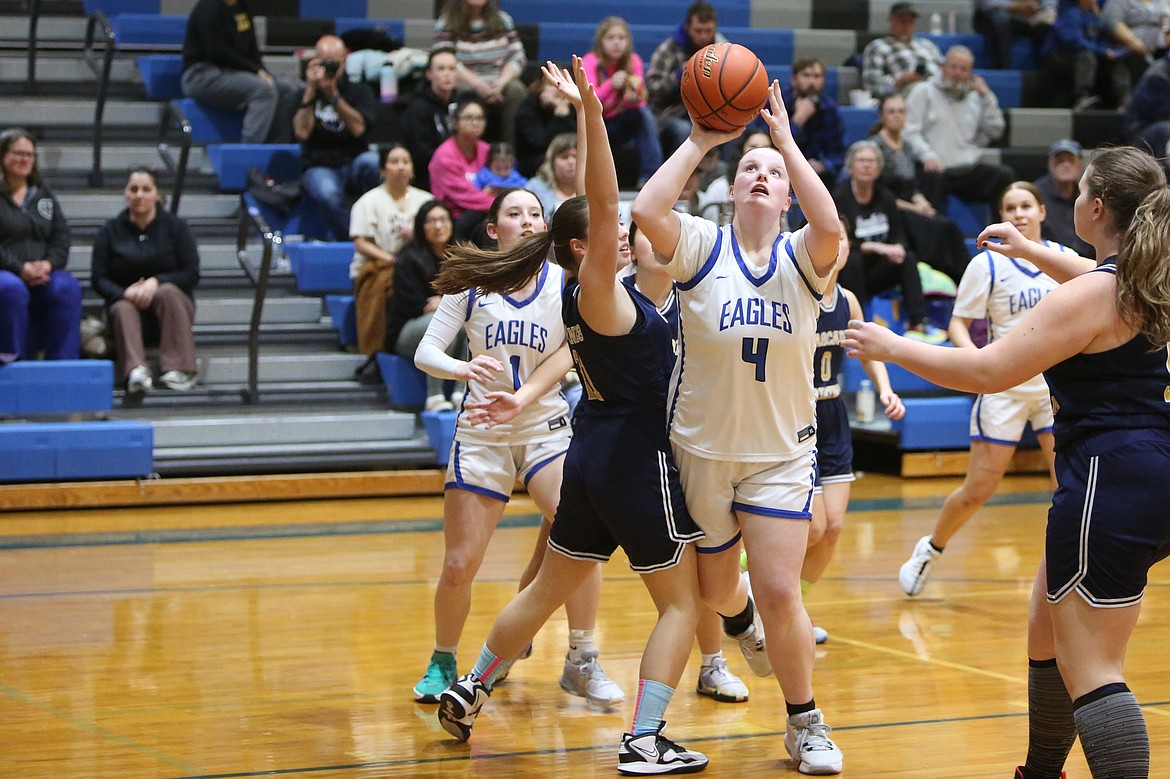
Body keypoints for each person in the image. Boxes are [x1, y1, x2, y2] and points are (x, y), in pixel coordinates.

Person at [844, 145, 1169, 779]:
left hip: (1107, 476)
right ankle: (1039, 771)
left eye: (1076, 196)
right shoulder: (1148, 275)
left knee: (1096, 672)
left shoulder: (1096, 294)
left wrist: (893, 344)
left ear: (1096, 207)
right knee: (1044, 628)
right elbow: (1087, 269)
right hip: (1145, 470)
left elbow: (989, 371)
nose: (1066, 203)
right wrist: (1031, 250)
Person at [436, 58, 709, 775]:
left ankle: (473, 685)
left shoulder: (580, 288)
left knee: (547, 588)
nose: (624, 233)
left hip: (586, 454)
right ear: (583, 247)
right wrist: (591, 107)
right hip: (631, 460)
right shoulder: (596, 289)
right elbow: (603, 195)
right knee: (682, 604)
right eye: (610, 229)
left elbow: (592, 205)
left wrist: (589, 117)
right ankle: (645, 738)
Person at [632, 79, 846, 775]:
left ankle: (805, 721)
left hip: (781, 454)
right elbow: (646, 208)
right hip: (700, 449)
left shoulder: (807, 260)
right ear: (732, 190)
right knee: (718, 593)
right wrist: (702, 138)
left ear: (788, 197)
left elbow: (833, 227)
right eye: (750, 168)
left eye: (774, 174)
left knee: (784, 591)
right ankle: (742, 618)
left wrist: (785, 140)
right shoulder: (697, 245)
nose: (761, 176)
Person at [411, 186, 622, 709]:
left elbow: (575, 352)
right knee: (461, 563)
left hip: (545, 428)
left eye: (535, 213)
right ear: (493, 228)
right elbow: (425, 351)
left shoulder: (564, 284)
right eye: (515, 213)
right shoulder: (473, 284)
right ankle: (443, 658)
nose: (527, 221)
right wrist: (462, 367)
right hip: (482, 433)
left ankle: (581, 657)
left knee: (582, 536)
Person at [898, 181, 1077, 597]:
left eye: (1026, 205)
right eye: (1010, 207)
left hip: (1054, 389)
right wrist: (978, 364)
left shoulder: (1065, 259)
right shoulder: (988, 264)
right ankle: (932, 547)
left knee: (1067, 484)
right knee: (980, 488)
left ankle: (1068, 567)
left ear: (1042, 212)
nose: (1018, 213)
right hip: (1004, 388)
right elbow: (958, 324)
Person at [800, 221, 904, 642]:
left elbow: (868, 349)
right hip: (795, 419)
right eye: (830, 236)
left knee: (835, 528)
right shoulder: (795, 294)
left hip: (834, 418)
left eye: (843, 237)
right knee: (813, 527)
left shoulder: (848, 300)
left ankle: (794, 611)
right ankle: (741, 573)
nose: (837, 244)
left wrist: (885, 388)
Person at [90, 167, 200, 394]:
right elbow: (99, 279)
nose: (140, 195)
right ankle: (136, 371)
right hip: (125, 310)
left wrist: (156, 282)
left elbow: (191, 273)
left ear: (158, 195)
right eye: (134, 189)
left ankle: (180, 370)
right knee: (122, 307)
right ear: (126, 193)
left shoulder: (176, 227)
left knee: (168, 291)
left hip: (170, 310)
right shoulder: (109, 231)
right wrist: (124, 293)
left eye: (146, 189)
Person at [832, 140, 943, 342]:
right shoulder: (839, 198)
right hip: (850, 272)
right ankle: (856, 323)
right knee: (853, 258)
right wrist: (875, 247)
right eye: (861, 160)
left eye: (872, 161)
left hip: (877, 271)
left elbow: (897, 234)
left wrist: (897, 248)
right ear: (850, 167)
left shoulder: (886, 198)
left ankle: (918, 321)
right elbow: (838, 240)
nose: (866, 165)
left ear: (879, 168)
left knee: (907, 257)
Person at [903, 45, 1016, 215]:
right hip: (933, 166)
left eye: (963, 69)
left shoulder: (976, 98)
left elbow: (995, 130)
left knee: (1004, 176)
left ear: (970, 73)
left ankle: (1001, 234)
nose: (957, 73)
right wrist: (927, 155)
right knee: (933, 177)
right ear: (943, 67)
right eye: (953, 67)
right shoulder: (923, 91)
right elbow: (909, 131)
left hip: (966, 168)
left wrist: (987, 96)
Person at [348, 144, 431, 372]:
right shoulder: (369, 201)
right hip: (379, 265)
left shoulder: (425, 200)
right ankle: (379, 349)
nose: (401, 167)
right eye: (394, 162)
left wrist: (418, 234)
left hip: (418, 267)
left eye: (406, 161)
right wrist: (394, 261)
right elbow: (361, 243)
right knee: (389, 285)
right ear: (383, 169)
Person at [0, 129, 80, 362]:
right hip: (6, 271)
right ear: (3, 156)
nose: (24, 159)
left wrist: (49, 263)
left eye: (30, 155)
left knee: (67, 289)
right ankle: (12, 362)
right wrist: (20, 268)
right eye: (18, 153)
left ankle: (63, 365)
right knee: (11, 289)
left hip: (42, 272)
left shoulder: (42, 192)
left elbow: (61, 234)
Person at [294, 35, 381, 243]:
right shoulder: (304, 93)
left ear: (345, 61)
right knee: (327, 193)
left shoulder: (360, 91)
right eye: (325, 61)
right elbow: (302, 133)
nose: (331, 67)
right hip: (319, 165)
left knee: (374, 161)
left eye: (336, 61)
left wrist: (333, 95)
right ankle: (350, 241)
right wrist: (311, 90)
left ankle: (376, 231)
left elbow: (359, 129)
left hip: (354, 162)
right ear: (315, 61)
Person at [180, 0, 301, 144]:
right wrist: (255, 70)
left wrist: (263, 71)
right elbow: (217, 52)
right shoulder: (208, 7)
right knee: (264, 92)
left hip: (234, 72)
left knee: (288, 89)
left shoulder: (242, 8)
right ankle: (248, 154)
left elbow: (252, 48)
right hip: (201, 75)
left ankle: (273, 150)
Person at [385, 200, 463, 412]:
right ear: (421, 226)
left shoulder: (462, 256)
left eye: (443, 220)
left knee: (470, 322)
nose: (438, 226)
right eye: (431, 221)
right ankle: (435, 396)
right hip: (407, 330)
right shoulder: (407, 258)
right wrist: (447, 304)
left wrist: (443, 301)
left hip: (446, 320)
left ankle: (461, 392)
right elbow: (410, 303)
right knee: (442, 321)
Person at [581, 16, 664, 188]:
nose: (617, 43)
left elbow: (640, 99)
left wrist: (635, 99)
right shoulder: (589, 61)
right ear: (600, 41)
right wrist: (610, 84)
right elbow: (588, 99)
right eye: (611, 38)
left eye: (621, 38)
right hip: (598, 122)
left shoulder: (634, 61)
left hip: (622, 121)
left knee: (644, 115)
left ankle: (651, 177)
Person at [433, 0, 527, 146]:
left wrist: (501, 82)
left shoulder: (503, 20)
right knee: (461, 91)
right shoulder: (447, 22)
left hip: (499, 79)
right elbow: (445, 57)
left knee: (517, 90)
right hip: (465, 80)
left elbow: (518, 56)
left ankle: (509, 150)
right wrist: (477, 84)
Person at [747, 58, 844, 187]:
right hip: (776, 166)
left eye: (817, 76)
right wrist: (798, 120)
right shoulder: (776, 102)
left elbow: (838, 152)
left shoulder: (829, 108)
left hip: (816, 175)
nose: (811, 81)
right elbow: (767, 143)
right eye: (806, 75)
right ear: (794, 79)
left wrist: (824, 165)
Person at [645, 0, 724, 156]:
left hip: (710, 112)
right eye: (698, 31)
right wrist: (680, 76)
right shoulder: (668, 50)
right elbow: (653, 90)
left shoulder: (722, 50)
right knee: (684, 130)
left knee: (733, 127)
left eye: (708, 31)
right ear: (688, 28)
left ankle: (721, 175)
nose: (703, 36)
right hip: (671, 114)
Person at [1040, 0, 1129, 111]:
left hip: (1087, 54)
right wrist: (1103, 52)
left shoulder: (1094, 16)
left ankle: (1125, 99)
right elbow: (1074, 41)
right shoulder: (1069, 12)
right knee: (1087, 57)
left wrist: (1109, 51)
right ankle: (1081, 98)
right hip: (1060, 55)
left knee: (1115, 60)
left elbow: (1100, 39)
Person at [428, 97, 496, 240]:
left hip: (484, 210)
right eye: (469, 118)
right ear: (455, 122)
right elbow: (463, 195)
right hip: (455, 216)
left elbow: (501, 179)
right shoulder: (444, 155)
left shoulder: (487, 150)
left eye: (480, 118)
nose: (475, 123)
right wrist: (498, 202)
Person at [400, 47, 462, 192]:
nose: (447, 74)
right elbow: (421, 153)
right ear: (429, 74)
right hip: (430, 177)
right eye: (441, 69)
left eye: (451, 69)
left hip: (463, 171)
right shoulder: (417, 109)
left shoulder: (463, 104)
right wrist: (451, 163)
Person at [862, 1, 944, 98]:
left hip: (939, 95)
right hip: (904, 99)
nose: (906, 25)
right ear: (891, 21)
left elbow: (945, 71)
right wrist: (898, 82)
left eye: (910, 21)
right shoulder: (877, 47)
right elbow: (872, 89)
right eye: (902, 20)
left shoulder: (928, 45)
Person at [1033, 139, 1094, 258]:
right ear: (1050, 164)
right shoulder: (1035, 194)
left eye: (1071, 161)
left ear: (1080, 165)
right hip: (1048, 261)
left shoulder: (1090, 194)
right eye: (1060, 161)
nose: (1066, 165)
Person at [514, 77, 578, 178]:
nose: (558, 88)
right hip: (533, 163)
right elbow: (541, 143)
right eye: (552, 84)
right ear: (540, 86)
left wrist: (564, 114)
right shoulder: (527, 107)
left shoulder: (575, 105)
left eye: (562, 83)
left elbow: (579, 141)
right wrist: (559, 116)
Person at [1101, 0, 1170, 93]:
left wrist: (1167, 32)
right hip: (1131, 48)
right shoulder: (1120, 1)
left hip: (1162, 47)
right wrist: (1133, 41)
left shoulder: (1161, 2)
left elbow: (1166, 19)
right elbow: (1113, 23)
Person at [974, 0, 1057, 71]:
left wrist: (1048, 10)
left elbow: (1050, 5)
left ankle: (1048, 72)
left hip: (1031, 13)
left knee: (1051, 24)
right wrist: (1014, 6)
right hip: (996, 12)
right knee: (1001, 19)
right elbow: (986, 3)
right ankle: (1003, 72)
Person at [1123, 51, 1170, 160]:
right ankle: (1163, 173)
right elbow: (1159, 112)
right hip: (1142, 130)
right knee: (1166, 130)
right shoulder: (1158, 75)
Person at [525, 132, 579, 217]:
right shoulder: (535, 187)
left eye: (576, 156)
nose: (571, 162)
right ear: (551, 161)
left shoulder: (595, 189)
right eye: (564, 157)